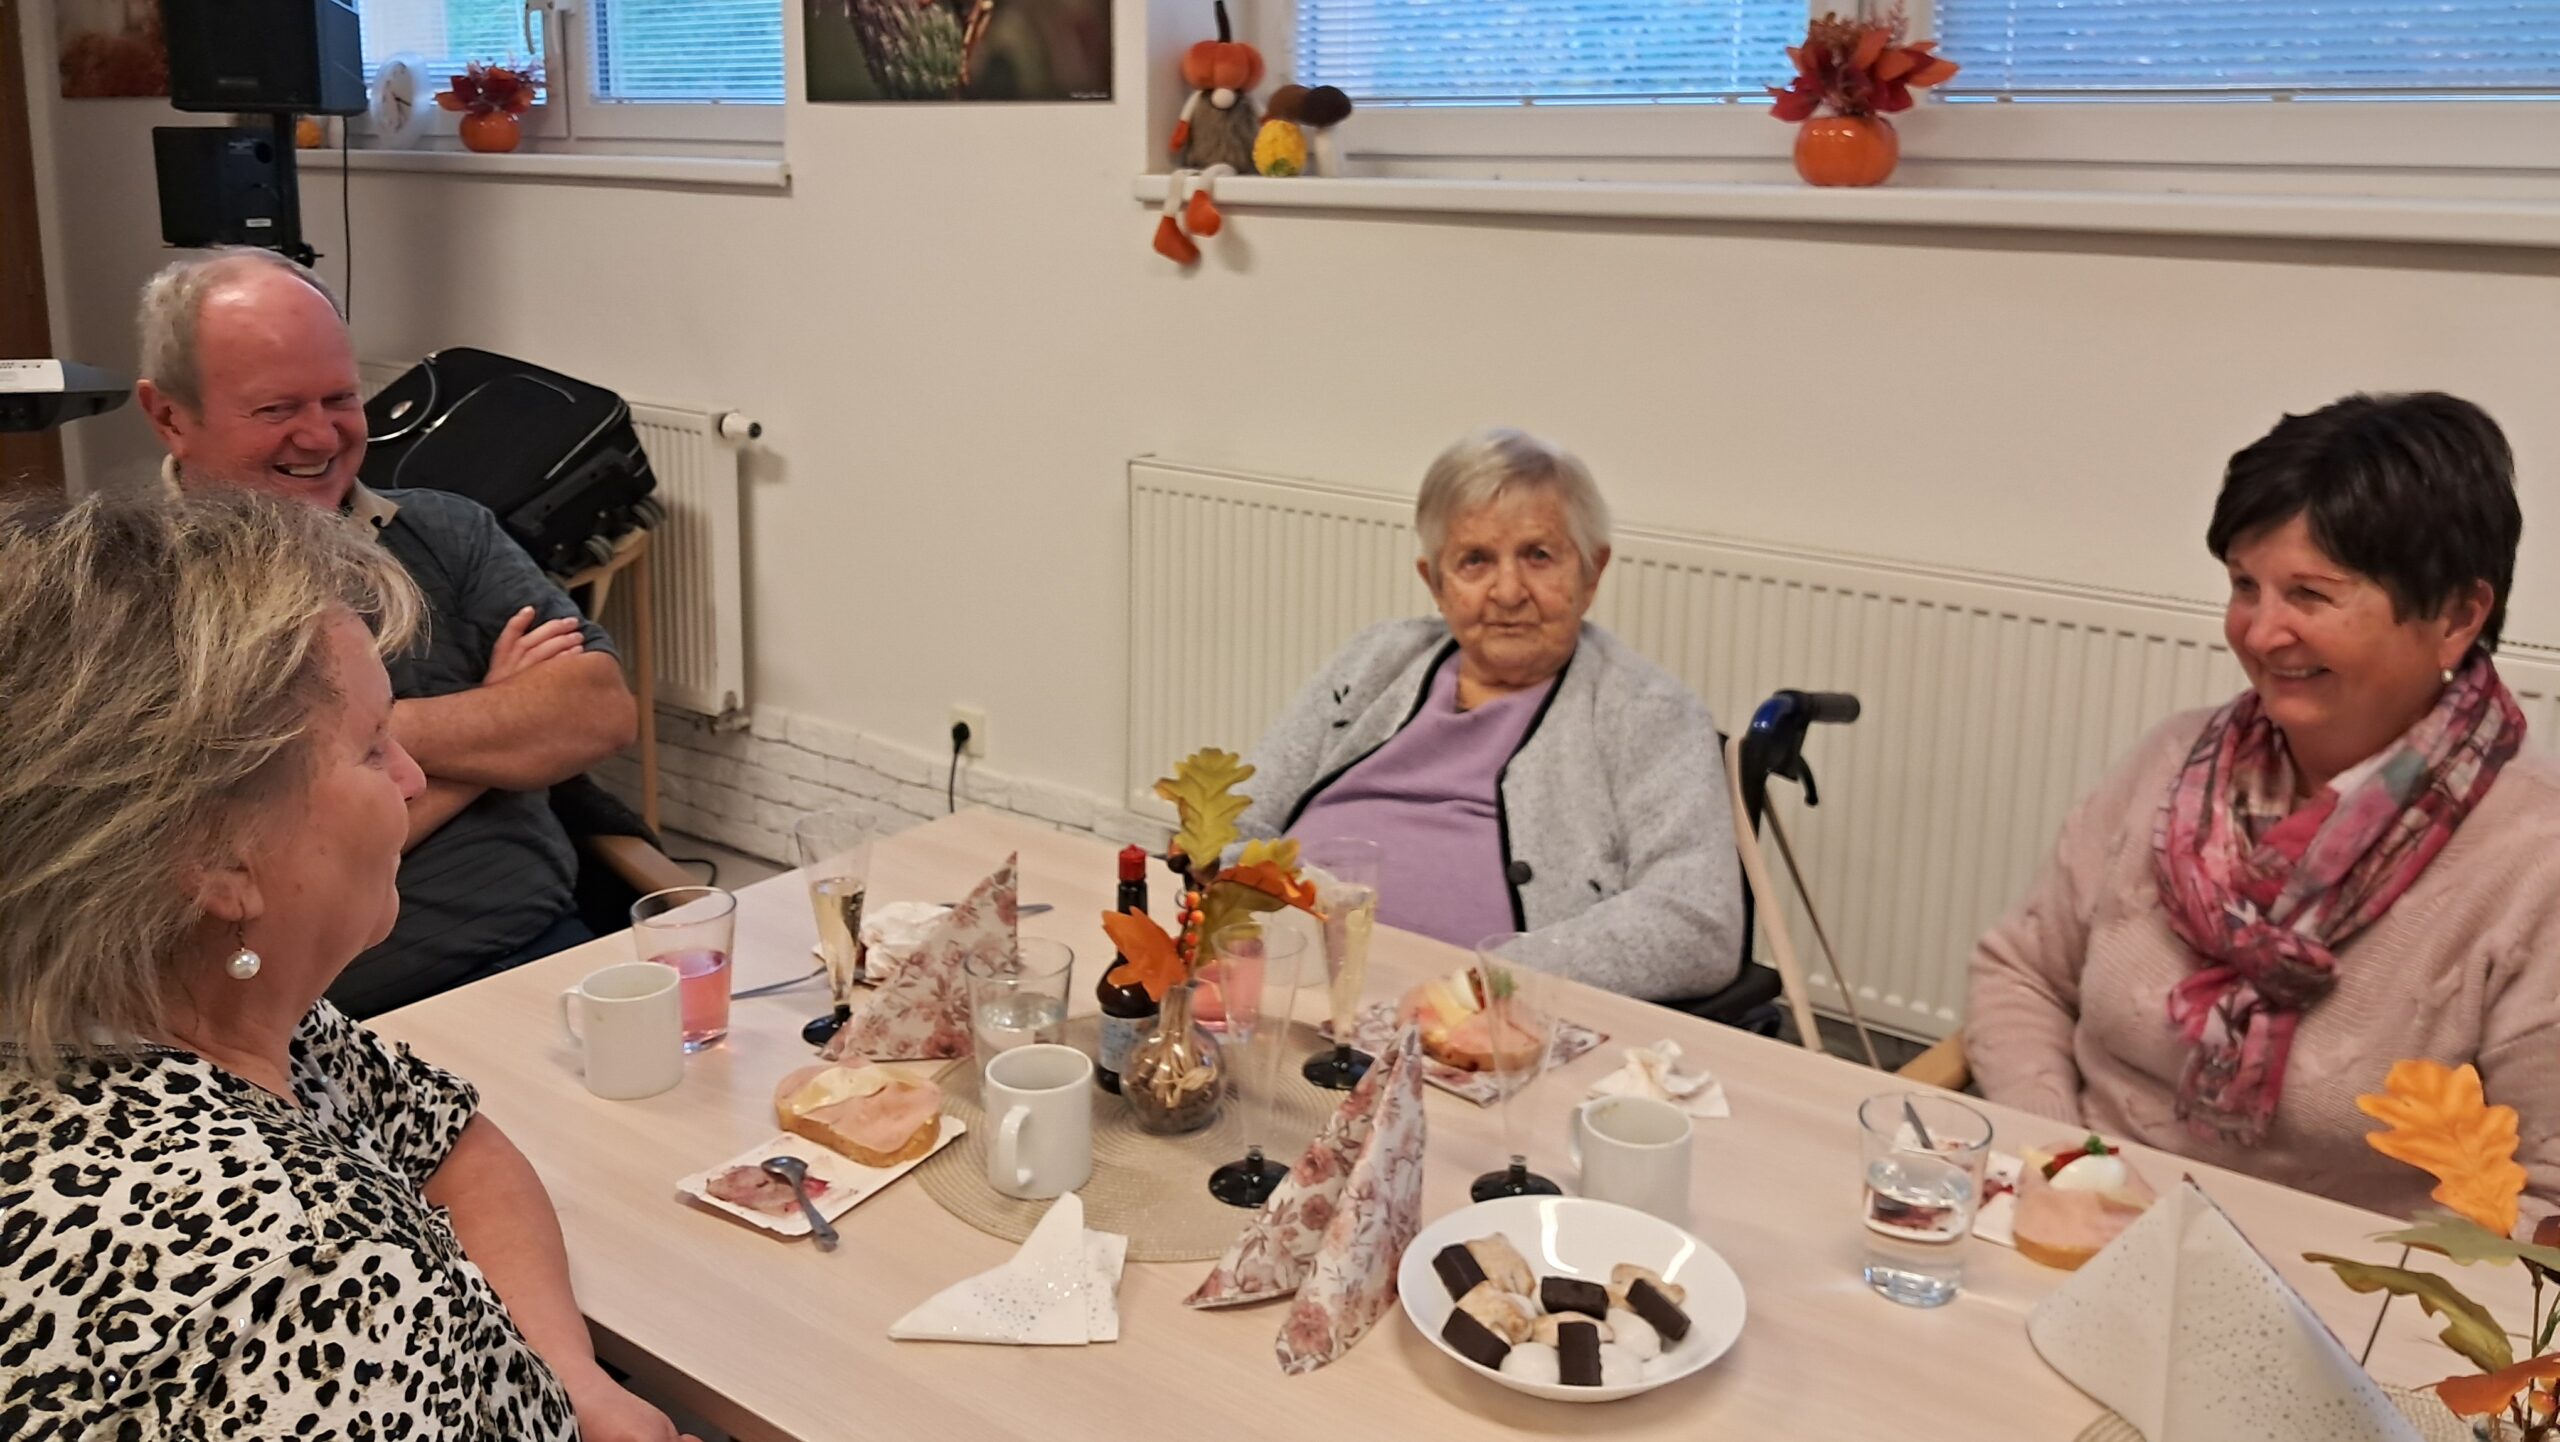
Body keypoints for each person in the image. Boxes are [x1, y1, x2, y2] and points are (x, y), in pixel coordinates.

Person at [0, 490, 691, 1440]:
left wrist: (573, 1384)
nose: (411, 778)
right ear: (215, 857)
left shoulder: (183, 1002)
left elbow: (451, 1142)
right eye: (373, 749)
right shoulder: (303, 1279)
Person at [1967, 392, 2560, 1217]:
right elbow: (2023, 974)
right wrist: (2066, 1167)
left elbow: (2544, 1200)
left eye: (2310, 595)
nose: (2259, 631)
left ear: (2458, 616)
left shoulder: (2535, 859)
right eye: (2246, 585)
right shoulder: (2173, 760)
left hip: (2341, 1283)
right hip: (2080, 1222)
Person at [134, 248, 638, 1016]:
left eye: (340, 398)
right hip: (327, 1024)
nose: (320, 437)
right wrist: (493, 732)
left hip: (556, 958)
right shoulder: (127, 600)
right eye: (276, 410)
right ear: (170, 416)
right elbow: (255, 880)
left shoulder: (446, 531)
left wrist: (349, 751)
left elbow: (597, 711)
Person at [1235, 429, 1743, 1000]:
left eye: (1538, 556)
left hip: (1478, 1019)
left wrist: (1491, 980)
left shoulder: (1647, 712)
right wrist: (1244, 921)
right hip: (1280, 971)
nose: (1508, 591)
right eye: (1475, 560)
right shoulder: (1375, 660)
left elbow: (1698, 922)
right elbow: (1240, 819)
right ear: (1436, 582)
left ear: (1591, 573)